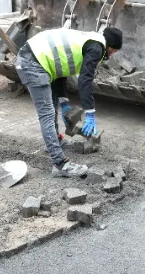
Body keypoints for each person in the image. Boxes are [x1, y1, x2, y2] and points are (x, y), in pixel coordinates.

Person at [15, 26, 123, 177]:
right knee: (47, 113)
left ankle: (55, 143)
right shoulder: (96, 48)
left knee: (52, 107)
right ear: (110, 46)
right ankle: (60, 165)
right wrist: (90, 112)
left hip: (38, 60)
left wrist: (64, 102)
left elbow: (61, 68)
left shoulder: (90, 40)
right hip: (33, 62)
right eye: (114, 51)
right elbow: (85, 80)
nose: (112, 55)